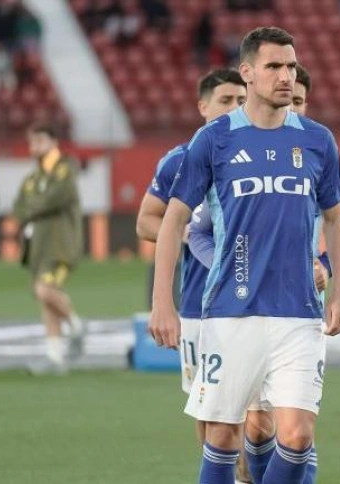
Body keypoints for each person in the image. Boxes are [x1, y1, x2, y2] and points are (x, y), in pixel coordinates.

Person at [149, 27, 340, 484]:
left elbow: (338, 219)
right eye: (274, 67)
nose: (286, 75)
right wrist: (163, 302)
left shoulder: (318, 140)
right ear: (246, 73)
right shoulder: (215, 140)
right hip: (230, 313)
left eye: (291, 66)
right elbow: (173, 220)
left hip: (300, 313)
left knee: (298, 436)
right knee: (222, 437)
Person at [134, 68, 248, 480]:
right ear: (202, 107)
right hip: (200, 310)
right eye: (225, 100)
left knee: (258, 415)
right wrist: (185, 232)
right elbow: (147, 221)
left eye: (240, 99)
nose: (234, 108)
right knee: (207, 409)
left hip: (258, 303)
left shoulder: (256, 153)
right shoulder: (180, 160)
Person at [12, 122, 84, 375]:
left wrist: (35, 205)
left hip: (60, 245)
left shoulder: (65, 168)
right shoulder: (33, 178)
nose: (35, 146)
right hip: (38, 247)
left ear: (54, 142)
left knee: (45, 290)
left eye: (40, 140)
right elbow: (18, 207)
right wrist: (36, 205)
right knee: (45, 301)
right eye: (32, 141)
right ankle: (55, 356)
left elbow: (56, 197)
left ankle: (76, 327)